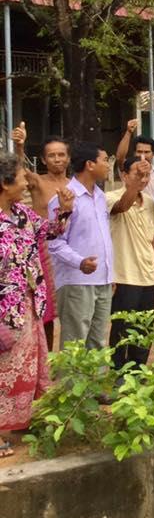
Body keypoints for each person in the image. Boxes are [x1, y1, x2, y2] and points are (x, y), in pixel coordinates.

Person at [0, 152, 73, 457]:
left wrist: (65, 212)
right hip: (5, 308)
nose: (26, 184)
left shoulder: (23, 214)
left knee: (26, 368)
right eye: (20, 178)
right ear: (4, 184)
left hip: (28, 304)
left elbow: (50, 232)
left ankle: (19, 421)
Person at [48, 142, 114, 350]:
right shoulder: (64, 198)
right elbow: (55, 243)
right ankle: (69, 384)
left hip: (102, 280)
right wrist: (80, 262)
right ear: (90, 165)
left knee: (97, 343)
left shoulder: (101, 197)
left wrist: (109, 274)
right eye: (105, 160)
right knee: (74, 344)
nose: (108, 165)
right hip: (77, 281)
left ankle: (96, 382)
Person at [11, 122, 68, 351]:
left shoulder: (74, 185)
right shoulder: (37, 182)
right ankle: (45, 357)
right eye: (51, 155)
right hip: (43, 251)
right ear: (43, 160)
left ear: (68, 158)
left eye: (61, 154)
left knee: (69, 310)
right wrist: (20, 146)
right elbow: (16, 174)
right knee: (44, 312)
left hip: (70, 255)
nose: (57, 159)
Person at [106, 157, 154, 370]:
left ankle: (138, 367)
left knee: (145, 325)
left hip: (147, 275)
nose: (143, 179)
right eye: (138, 174)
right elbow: (122, 206)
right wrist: (135, 183)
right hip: (124, 274)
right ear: (124, 175)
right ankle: (118, 368)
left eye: (146, 175)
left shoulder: (149, 202)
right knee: (122, 325)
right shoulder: (110, 197)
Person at [116, 119, 154, 317]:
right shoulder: (129, 172)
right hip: (133, 228)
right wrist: (128, 132)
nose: (143, 155)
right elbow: (120, 157)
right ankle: (149, 303)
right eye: (139, 152)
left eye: (147, 151)